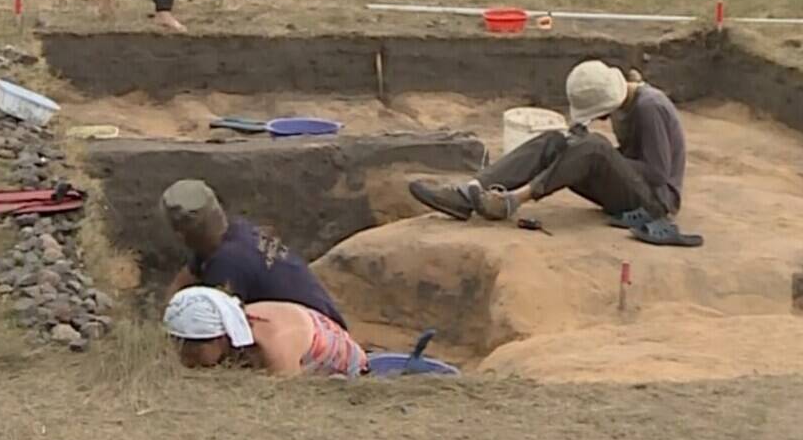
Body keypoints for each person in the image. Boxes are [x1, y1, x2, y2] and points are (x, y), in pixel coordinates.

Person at [408, 60, 696, 246]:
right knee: (555, 140)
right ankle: (469, 192)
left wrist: (607, 156)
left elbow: (658, 173)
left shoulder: (650, 107)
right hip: (630, 187)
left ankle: (512, 201)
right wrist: (580, 147)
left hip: (654, 202)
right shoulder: (625, 104)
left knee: (594, 146)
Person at [161, 179, 348, 327]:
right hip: (326, 324)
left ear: (180, 235)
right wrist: (167, 313)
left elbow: (215, 334)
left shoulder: (227, 264)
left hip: (318, 340)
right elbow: (187, 276)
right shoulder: (235, 231)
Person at [163, 285, 368, 378]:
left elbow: (295, 402)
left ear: (219, 338)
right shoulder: (240, 329)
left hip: (348, 367)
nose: (182, 355)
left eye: (191, 347)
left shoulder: (274, 347)